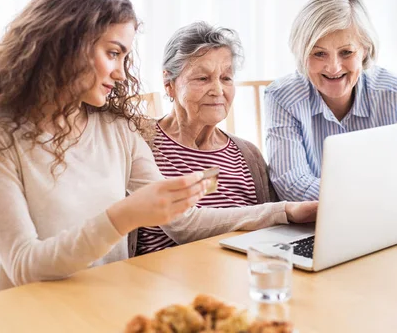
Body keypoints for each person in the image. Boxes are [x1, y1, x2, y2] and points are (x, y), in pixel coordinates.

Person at [0, 0, 220, 302]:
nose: (120, 73)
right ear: (67, 42)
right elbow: (25, 265)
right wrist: (125, 216)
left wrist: (284, 212)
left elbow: (184, 223)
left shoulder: (117, 129)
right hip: (5, 310)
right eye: (113, 53)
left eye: (125, 58)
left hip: (93, 303)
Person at [265, 0, 397, 222]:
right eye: (319, 54)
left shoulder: (396, 95)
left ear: (365, 49)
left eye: (346, 52)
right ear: (301, 53)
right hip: (316, 229)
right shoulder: (282, 97)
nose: (334, 67)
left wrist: (364, 202)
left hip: (388, 224)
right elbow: (293, 187)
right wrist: (390, 199)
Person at [137, 22, 319, 255]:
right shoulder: (142, 141)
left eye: (226, 78)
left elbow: (273, 233)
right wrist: (284, 210)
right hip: (159, 279)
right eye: (202, 78)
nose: (217, 90)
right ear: (169, 84)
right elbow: (182, 225)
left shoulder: (247, 155)